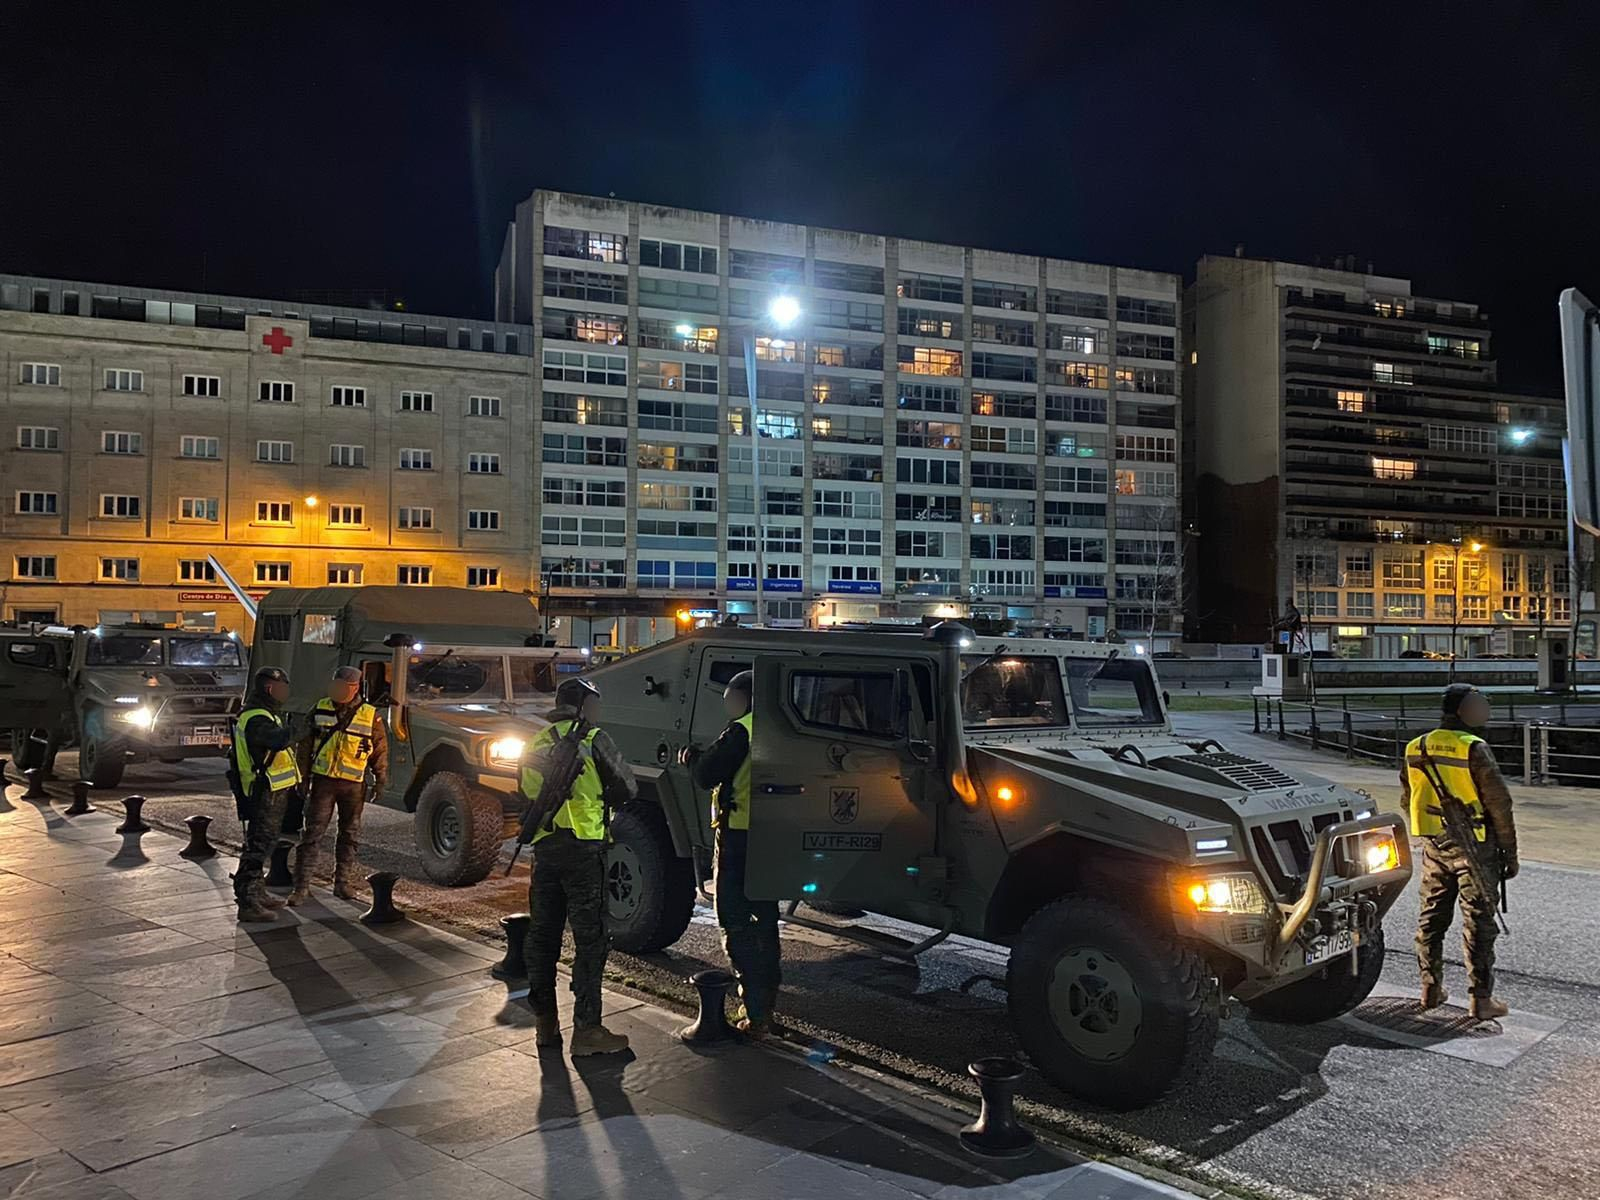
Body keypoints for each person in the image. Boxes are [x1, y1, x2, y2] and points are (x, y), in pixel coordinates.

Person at [520, 676, 638, 1056]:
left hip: (546, 847)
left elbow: (525, 791)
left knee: (542, 936)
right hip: (585, 849)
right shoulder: (592, 738)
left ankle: (545, 1024)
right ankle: (587, 1030)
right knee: (590, 941)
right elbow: (627, 787)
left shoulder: (534, 741)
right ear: (584, 706)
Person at [1400, 683, 1519, 1019]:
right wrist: (1510, 854)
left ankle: (1430, 987)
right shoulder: (1473, 748)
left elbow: (1408, 797)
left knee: (1432, 916)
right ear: (1463, 711)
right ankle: (1481, 1000)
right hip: (1475, 845)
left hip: (1434, 844)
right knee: (1479, 920)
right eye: (1480, 704)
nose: (1486, 710)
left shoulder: (1415, 746)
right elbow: (1500, 804)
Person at [679, 671, 781, 1037]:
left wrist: (690, 758)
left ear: (744, 699)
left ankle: (753, 1012)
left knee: (735, 922)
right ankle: (765, 1008)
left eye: (729, 698)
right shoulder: (780, 726)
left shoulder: (742, 730)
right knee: (766, 924)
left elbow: (707, 774)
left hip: (739, 837)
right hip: (771, 838)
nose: (727, 705)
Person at [289, 665, 386, 906]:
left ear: (355, 688)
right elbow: (304, 745)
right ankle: (301, 887)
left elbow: (380, 750)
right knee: (311, 835)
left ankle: (342, 883)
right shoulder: (320, 708)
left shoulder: (370, 715)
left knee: (349, 835)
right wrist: (302, 776)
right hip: (323, 782)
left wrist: (380, 779)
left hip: (353, 785)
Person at [233, 667, 308, 923]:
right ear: (269, 689)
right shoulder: (256, 717)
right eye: (282, 689)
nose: (285, 694)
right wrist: (301, 728)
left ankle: (257, 892)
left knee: (264, 843)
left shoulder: (266, 713)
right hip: (261, 791)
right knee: (257, 846)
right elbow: (277, 741)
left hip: (271, 791)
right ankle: (247, 901)